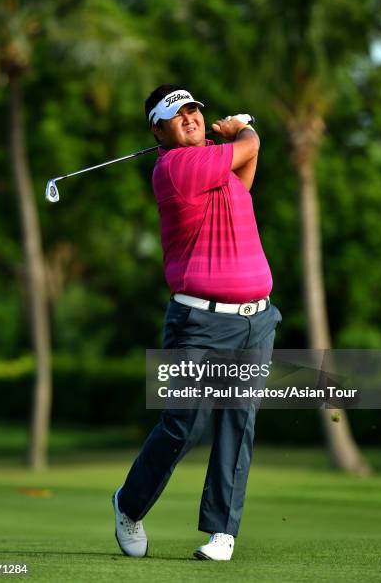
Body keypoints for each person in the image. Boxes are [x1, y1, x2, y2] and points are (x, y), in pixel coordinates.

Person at [112, 84, 282, 561]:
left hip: (257, 320)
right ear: (157, 130)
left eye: (193, 111)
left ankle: (221, 533)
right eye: (176, 114)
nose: (188, 118)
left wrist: (234, 141)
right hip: (198, 322)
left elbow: (244, 174)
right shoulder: (175, 167)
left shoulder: (215, 169)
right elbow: (249, 147)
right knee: (184, 424)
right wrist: (240, 130)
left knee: (238, 422)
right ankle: (129, 505)